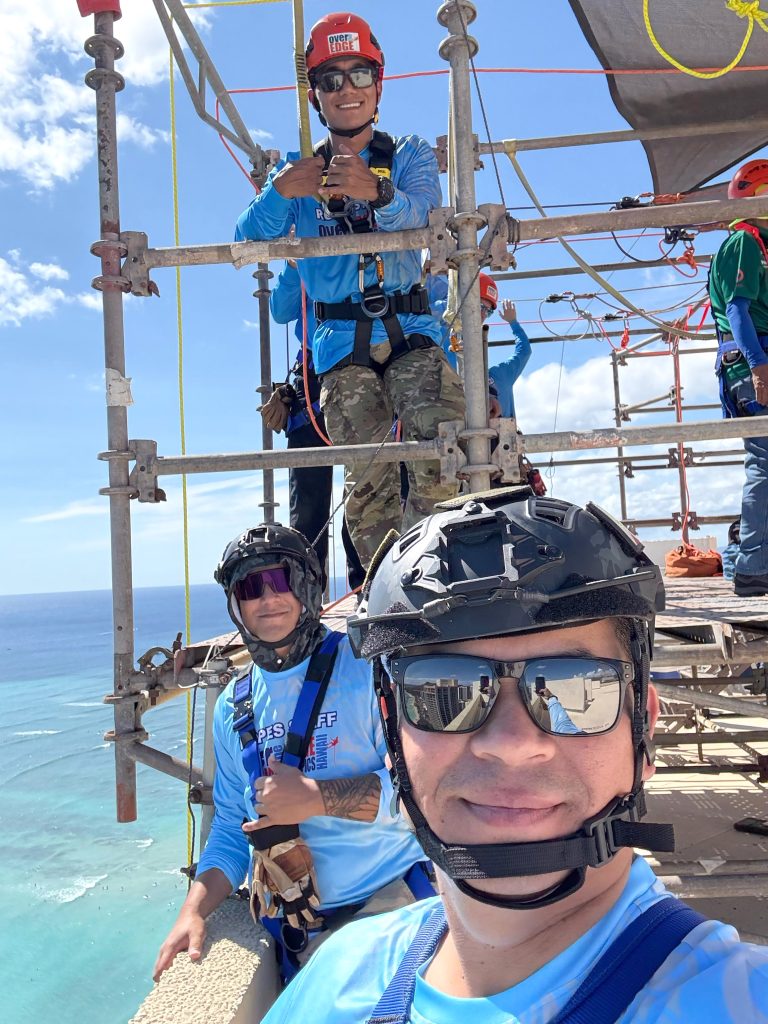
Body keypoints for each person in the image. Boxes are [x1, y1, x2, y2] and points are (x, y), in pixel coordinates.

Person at [261, 488, 768, 1023]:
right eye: (444, 693)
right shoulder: (339, 974)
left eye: (576, 690)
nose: (511, 744)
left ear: (642, 731)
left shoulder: (739, 999)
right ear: (392, 734)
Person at [152, 525, 430, 1006]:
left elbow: (424, 791)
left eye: (280, 580)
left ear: (307, 585)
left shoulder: (367, 669)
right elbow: (230, 831)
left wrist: (316, 799)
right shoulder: (234, 706)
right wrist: (193, 911)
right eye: (249, 588)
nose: (267, 598)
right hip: (299, 930)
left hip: (392, 908)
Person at [235, 12, 466, 569]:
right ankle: (387, 585)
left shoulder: (407, 155)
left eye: (358, 73)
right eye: (331, 79)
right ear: (316, 95)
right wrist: (278, 194)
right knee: (369, 481)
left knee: (445, 451)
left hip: (411, 332)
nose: (346, 90)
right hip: (340, 347)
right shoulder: (297, 173)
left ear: (378, 84)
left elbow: (429, 217)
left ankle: (438, 572)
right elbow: (245, 244)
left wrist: (379, 195)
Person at [265, 260, 365, 591]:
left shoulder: (355, 238)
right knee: (309, 503)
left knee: (364, 490)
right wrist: (295, 264)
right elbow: (280, 310)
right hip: (315, 373)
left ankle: (364, 586)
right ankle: (310, 595)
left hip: (358, 364)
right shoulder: (308, 254)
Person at [708, 157, 768, 597]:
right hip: (756, 357)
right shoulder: (745, 240)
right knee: (764, 462)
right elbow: (737, 310)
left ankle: (749, 561)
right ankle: (751, 566)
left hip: (755, 355)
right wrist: (759, 366)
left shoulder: (758, 243)